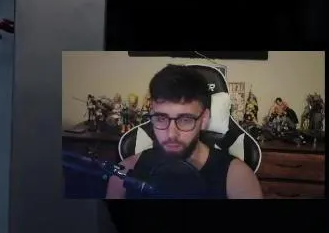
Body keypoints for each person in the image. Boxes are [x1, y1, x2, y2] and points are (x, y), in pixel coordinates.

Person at [106, 65, 263, 200]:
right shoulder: (124, 172)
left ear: (204, 119)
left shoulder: (237, 178)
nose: (171, 134)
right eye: (161, 118)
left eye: (185, 119)